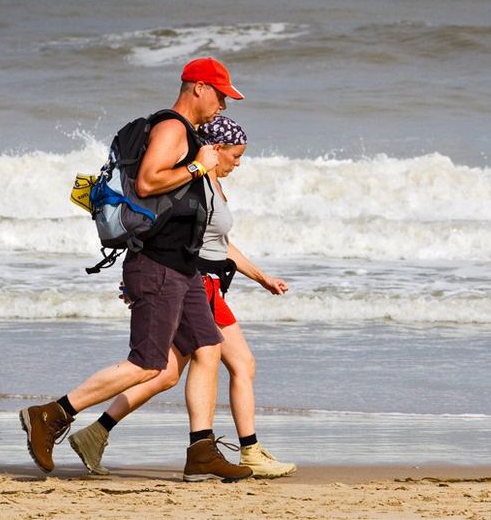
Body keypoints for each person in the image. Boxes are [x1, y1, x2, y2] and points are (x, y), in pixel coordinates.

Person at [20, 57, 253, 482]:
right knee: (148, 364)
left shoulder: (189, 133)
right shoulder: (171, 128)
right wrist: (200, 165)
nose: (223, 104)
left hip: (181, 268)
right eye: (221, 94)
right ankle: (52, 414)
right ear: (198, 87)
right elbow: (147, 182)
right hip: (157, 265)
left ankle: (201, 450)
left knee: (207, 348)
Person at [67, 115, 296, 479]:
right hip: (194, 285)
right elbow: (176, 235)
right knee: (235, 363)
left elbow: (221, 245)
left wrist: (262, 277)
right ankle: (248, 450)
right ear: (216, 149)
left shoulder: (211, 185)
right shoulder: (196, 183)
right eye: (236, 155)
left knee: (166, 374)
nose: (239, 163)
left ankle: (97, 432)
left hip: (197, 284)